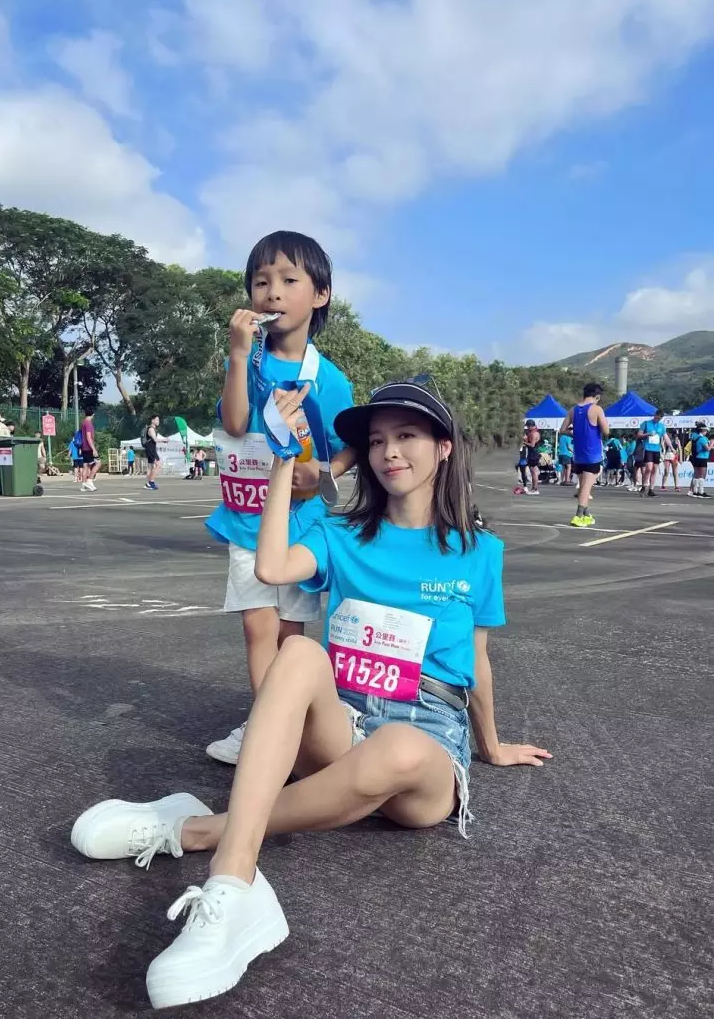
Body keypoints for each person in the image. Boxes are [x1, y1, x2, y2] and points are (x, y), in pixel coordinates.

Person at [69, 379, 552, 1009]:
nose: (388, 452)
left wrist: (491, 746)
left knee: (400, 746)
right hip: (342, 724)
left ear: (443, 448)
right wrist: (280, 463)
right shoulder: (341, 531)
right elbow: (270, 569)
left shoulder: (477, 551)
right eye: (376, 440)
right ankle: (233, 886)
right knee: (297, 652)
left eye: (407, 435)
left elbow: (477, 662)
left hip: (427, 741)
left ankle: (195, 829)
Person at [204, 230, 355, 765]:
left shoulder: (329, 380)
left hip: (301, 523)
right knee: (256, 626)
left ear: (321, 295)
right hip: (247, 517)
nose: (272, 292)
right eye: (261, 282)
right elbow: (234, 423)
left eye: (290, 280)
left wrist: (323, 474)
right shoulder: (249, 361)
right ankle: (264, 727)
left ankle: (289, 727)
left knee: (291, 634)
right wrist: (237, 354)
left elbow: (349, 447)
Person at [560, 382, 609, 528]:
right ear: (597, 396)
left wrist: (575, 433)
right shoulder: (597, 409)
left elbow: (562, 430)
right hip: (592, 454)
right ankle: (578, 515)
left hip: (578, 455)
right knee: (586, 487)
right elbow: (606, 431)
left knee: (583, 486)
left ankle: (587, 514)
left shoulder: (573, 410)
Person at [636, 409, 671, 497]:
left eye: (660, 418)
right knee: (649, 468)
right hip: (648, 448)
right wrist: (648, 434)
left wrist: (671, 447)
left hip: (657, 450)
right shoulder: (646, 423)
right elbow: (639, 435)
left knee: (655, 470)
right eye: (657, 417)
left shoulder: (661, 426)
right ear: (655, 415)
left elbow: (666, 437)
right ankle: (644, 486)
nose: (658, 419)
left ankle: (651, 490)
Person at [79, 408, 101, 492]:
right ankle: (89, 480)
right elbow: (88, 437)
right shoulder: (88, 423)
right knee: (98, 463)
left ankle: (83, 485)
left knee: (86, 466)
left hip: (84, 447)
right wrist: (93, 449)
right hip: (88, 448)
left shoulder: (83, 422)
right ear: (93, 414)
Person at [688, 423, 711, 498]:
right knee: (702, 475)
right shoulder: (702, 439)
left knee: (696, 475)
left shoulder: (695, 437)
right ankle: (701, 492)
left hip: (696, 457)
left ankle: (695, 491)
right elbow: (707, 449)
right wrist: (712, 443)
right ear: (702, 430)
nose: (706, 432)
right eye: (705, 430)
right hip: (702, 458)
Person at [521, 420, 541, 494]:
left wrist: (523, 442)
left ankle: (535, 489)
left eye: (527, 426)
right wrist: (526, 440)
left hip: (533, 454)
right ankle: (534, 488)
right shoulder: (536, 432)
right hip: (533, 454)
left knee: (533, 472)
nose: (527, 428)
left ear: (530, 426)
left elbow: (532, 445)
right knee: (533, 472)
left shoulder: (533, 434)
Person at [142, 415, 160, 490]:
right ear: (152, 421)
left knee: (150, 467)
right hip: (151, 450)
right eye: (157, 420)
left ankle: (148, 484)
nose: (158, 421)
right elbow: (155, 439)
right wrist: (164, 440)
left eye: (158, 420)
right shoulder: (151, 429)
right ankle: (151, 482)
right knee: (158, 464)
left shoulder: (151, 429)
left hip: (150, 449)